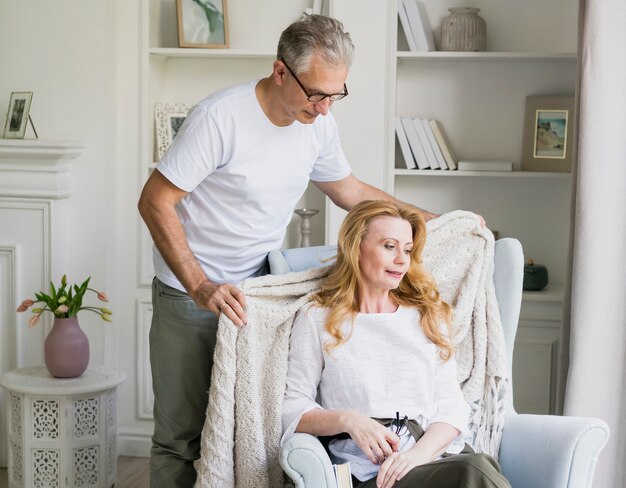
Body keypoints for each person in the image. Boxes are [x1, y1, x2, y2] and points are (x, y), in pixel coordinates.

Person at [138, 14, 437, 487]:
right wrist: (199, 285)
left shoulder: (318, 124)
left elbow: (348, 189)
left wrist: (431, 221)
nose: (323, 109)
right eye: (315, 94)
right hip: (190, 293)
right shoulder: (220, 118)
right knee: (182, 437)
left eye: (335, 95)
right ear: (280, 72)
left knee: (244, 432)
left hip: (258, 295)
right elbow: (155, 200)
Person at [282, 200, 510, 488]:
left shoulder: (427, 316)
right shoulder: (318, 319)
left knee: (476, 467)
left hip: (431, 459)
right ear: (357, 247)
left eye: (407, 249)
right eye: (390, 246)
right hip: (369, 472)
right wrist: (350, 421)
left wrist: (418, 455)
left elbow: (451, 408)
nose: (402, 259)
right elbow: (292, 408)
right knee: (476, 471)